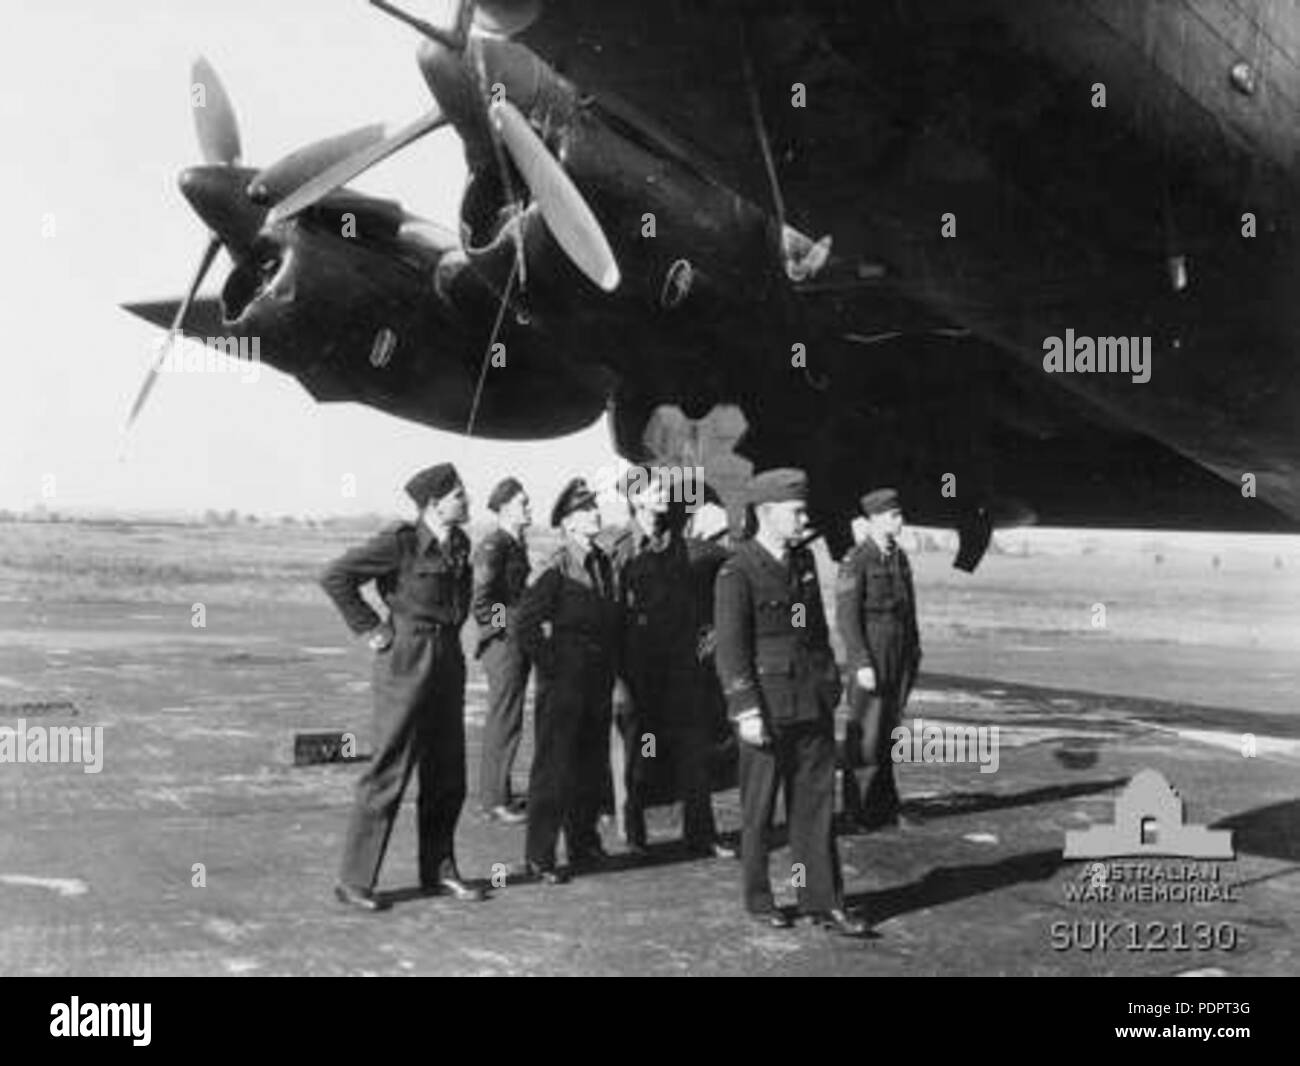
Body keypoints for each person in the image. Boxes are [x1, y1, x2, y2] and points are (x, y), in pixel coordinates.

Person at [320, 463, 485, 911]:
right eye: (458, 495)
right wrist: (371, 628)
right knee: (389, 768)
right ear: (433, 503)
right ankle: (354, 881)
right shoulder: (401, 542)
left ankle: (440, 870)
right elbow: (336, 577)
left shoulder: (460, 544)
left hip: (448, 660)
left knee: (448, 772)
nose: (466, 501)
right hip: (406, 659)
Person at [714, 468, 867, 935]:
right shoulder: (736, 569)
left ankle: (823, 900)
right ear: (766, 513)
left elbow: (812, 627)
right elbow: (731, 645)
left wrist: (829, 681)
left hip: (810, 700)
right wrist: (745, 709)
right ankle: (760, 900)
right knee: (759, 810)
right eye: (796, 510)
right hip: (766, 705)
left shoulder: (802, 562)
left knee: (816, 807)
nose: (804, 518)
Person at [606, 469, 733, 859]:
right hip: (637, 667)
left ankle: (701, 833)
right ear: (638, 499)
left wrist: (705, 635)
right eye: (655, 489)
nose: (665, 493)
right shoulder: (621, 548)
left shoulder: (674, 543)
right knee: (640, 750)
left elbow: (689, 600)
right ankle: (634, 833)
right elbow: (609, 615)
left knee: (693, 746)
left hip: (679, 663)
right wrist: (616, 678)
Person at [510, 477, 622, 883]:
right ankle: (539, 857)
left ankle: (584, 844)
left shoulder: (605, 562)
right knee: (554, 768)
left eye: (595, 507)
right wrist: (552, 665)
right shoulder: (555, 567)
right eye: (587, 509)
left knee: (590, 764)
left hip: (598, 678)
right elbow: (525, 624)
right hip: (565, 679)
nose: (596, 513)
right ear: (569, 523)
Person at [835, 488, 922, 830]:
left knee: (889, 731)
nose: (900, 520)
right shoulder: (857, 560)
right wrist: (860, 662)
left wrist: (914, 650)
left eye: (900, 514)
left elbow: (909, 609)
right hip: (872, 649)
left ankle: (885, 807)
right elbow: (847, 616)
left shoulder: (898, 557)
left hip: (899, 652)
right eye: (893, 515)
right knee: (866, 735)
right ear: (874, 519)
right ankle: (857, 811)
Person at [472, 476, 533, 824]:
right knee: (504, 718)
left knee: (509, 717)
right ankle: (494, 800)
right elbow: (482, 599)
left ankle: (499, 794)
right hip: (504, 644)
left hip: (514, 639)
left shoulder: (515, 543)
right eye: (523, 503)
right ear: (506, 507)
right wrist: (502, 627)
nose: (529, 508)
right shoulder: (495, 545)